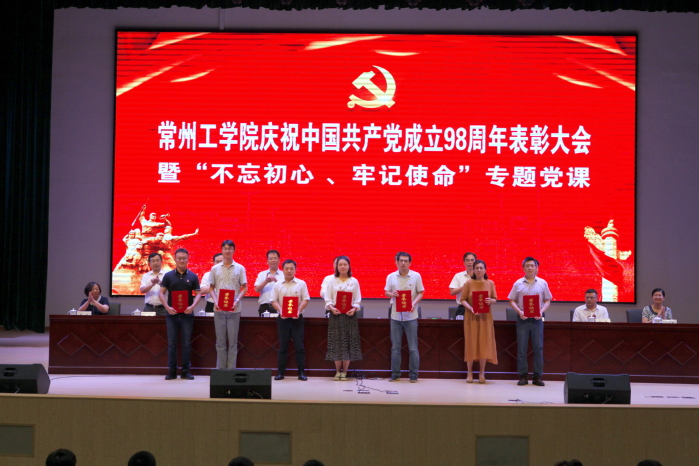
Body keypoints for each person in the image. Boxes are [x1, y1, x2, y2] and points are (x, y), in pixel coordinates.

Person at [508, 257, 552, 387]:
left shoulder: (542, 283)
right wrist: (519, 311)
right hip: (523, 319)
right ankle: (523, 376)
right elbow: (511, 300)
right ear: (523, 268)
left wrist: (541, 311)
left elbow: (547, 300)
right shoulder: (518, 283)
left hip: (537, 319)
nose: (530, 268)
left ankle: (537, 377)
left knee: (538, 348)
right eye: (527, 266)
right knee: (522, 348)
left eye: (532, 266)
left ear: (537, 268)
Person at [158, 248, 202, 380]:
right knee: (172, 343)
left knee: (186, 343)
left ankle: (186, 371)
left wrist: (192, 307)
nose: (182, 260)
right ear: (175, 259)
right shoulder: (168, 276)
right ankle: (172, 371)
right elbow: (161, 293)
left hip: (187, 315)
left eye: (184, 258)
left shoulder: (193, 276)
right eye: (179, 258)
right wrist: (167, 307)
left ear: (188, 259)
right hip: (172, 314)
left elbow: (198, 294)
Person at [385, 251, 425, 383]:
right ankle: (395, 374)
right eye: (400, 261)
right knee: (395, 347)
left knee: (413, 347)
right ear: (396, 262)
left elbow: (421, 292)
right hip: (395, 316)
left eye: (406, 261)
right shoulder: (391, 276)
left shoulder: (416, 276)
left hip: (411, 316)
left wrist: (414, 303)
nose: (403, 263)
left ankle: (413, 375)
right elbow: (386, 292)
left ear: (409, 263)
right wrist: (392, 294)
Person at [209, 240, 248, 370]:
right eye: (225, 248)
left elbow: (245, 288)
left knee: (232, 342)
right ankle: (220, 371)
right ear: (221, 250)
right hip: (218, 309)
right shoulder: (215, 268)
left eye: (230, 248)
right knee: (220, 342)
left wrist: (236, 301)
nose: (227, 251)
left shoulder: (240, 268)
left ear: (233, 250)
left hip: (234, 309)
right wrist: (216, 301)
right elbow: (211, 288)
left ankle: (231, 371)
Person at [324, 255, 362, 381]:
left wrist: (354, 308)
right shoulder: (332, 281)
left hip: (349, 315)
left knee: (348, 343)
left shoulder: (354, 281)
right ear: (336, 266)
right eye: (340, 264)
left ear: (349, 266)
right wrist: (331, 307)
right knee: (336, 343)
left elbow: (357, 299)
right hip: (336, 314)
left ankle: (344, 372)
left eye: (345, 264)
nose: (342, 267)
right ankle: (337, 371)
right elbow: (328, 298)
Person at [459, 259, 498, 383]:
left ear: (485, 270)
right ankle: (469, 372)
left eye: (481, 268)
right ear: (473, 270)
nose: (479, 270)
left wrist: (490, 301)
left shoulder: (490, 283)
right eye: (477, 268)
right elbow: (462, 299)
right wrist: (470, 308)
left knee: (483, 344)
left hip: (485, 318)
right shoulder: (468, 283)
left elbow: (495, 299)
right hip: (471, 317)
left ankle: (482, 373)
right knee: (471, 343)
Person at [271, 259, 310, 381]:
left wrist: (298, 310)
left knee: (299, 346)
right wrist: (281, 311)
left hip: (297, 318)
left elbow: (305, 299)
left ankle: (301, 372)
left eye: (291, 268)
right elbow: (273, 301)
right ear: (282, 270)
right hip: (283, 319)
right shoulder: (277, 284)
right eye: (286, 268)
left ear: (295, 270)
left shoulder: (301, 283)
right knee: (283, 346)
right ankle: (280, 372)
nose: (289, 270)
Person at [253, 249, 284, 316]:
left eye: (275, 258)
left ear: (279, 260)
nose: (273, 260)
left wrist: (276, 282)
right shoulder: (262, 274)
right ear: (267, 261)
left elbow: (286, 291)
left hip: (280, 306)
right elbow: (256, 290)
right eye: (271, 259)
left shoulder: (284, 275)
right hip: (265, 307)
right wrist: (266, 281)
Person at [449, 252, 477, 316]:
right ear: (464, 262)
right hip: (462, 308)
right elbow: (452, 292)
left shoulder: (480, 276)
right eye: (467, 260)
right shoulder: (458, 276)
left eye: (472, 260)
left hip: (477, 307)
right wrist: (464, 286)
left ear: (476, 262)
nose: (470, 262)